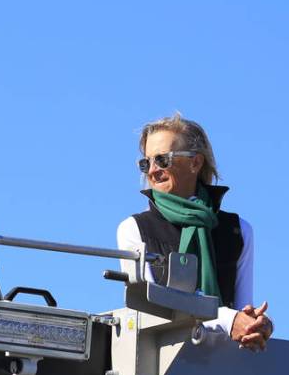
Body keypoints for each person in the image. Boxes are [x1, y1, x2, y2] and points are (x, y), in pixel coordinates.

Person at [116, 113, 273, 350]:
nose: (153, 170)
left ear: (195, 163)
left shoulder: (238, 231)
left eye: (163, 160)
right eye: (146, 163)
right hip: (161, 368)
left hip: (222, 367)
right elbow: (152, 312)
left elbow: (242, 311)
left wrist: (257, 325)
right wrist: (229, 319)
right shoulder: (135, 229)